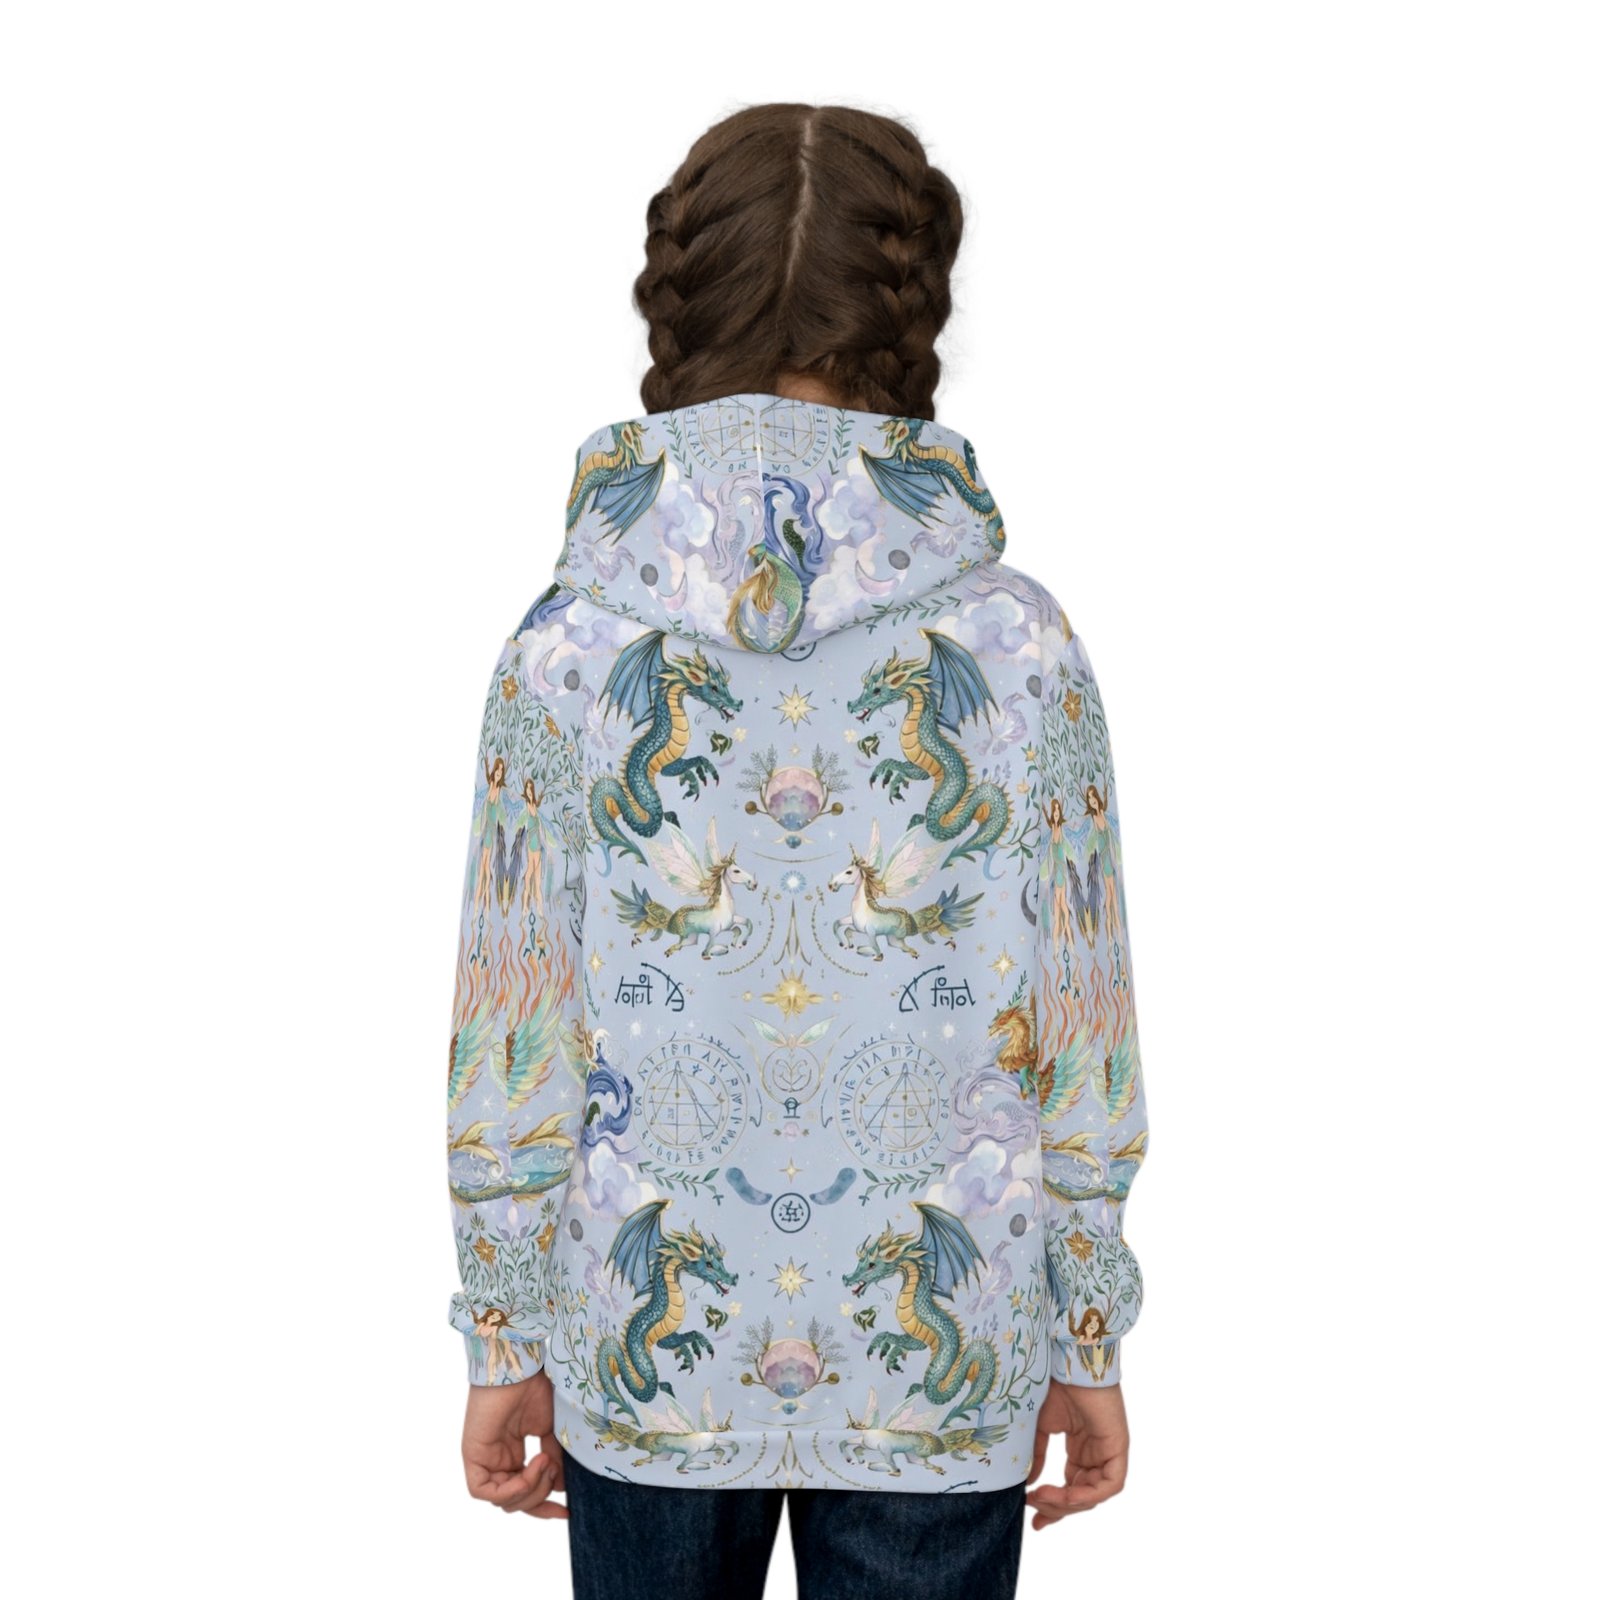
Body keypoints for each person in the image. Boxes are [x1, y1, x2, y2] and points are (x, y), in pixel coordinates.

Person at [442, 102, 1150, 1600]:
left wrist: (504, 1337)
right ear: (911, 308)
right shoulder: (1021, 648)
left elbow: (514, 1027)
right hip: (939, 1357)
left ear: (681, 304)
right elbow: (1083, 1023)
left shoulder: (564, 651)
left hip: (649, 1351)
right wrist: (1085, 1333)